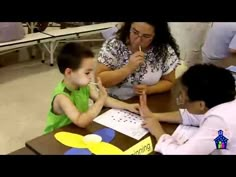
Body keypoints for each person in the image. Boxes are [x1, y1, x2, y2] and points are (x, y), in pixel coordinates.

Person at [140, 64, 236, 155]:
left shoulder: (219, 121)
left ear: (201, 105)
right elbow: (195, 116)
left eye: (182, 94)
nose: (181, 99)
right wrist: (154, 116)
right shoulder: (223, 102)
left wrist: (158, 132)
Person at [44, 42, 140, 134]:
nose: (91, 76)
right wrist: (101, 100)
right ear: (69, 72)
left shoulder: (84, 85)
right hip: (56, 137)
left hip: (74, 131)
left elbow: (104, 99)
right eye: (87, 73)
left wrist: (127, 106)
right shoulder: (62, 97)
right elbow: (81, 121)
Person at [95, 22, 180, 100]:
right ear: (129, 28)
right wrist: (127, 69)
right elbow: (99, 80)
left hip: (147, 101)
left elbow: (170, 81)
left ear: (156, 36)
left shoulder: (163, 50)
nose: (138, 40)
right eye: (135, 32)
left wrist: (150, 90)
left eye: (146, 36)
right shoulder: (114, 45)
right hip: (112, 102)